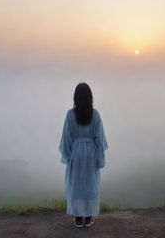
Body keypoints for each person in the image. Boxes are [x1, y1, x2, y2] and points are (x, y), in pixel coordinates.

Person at [59, 82, 109, 228]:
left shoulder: (70, 114)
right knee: (90, 184)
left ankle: (78, 218)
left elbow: (66, 137)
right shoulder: (95, 114)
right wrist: (100, 159)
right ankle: (88, 217)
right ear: (90, 97)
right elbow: (99, 138)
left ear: (75, 97)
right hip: (91, 153)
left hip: (76, 151)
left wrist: (68, 155)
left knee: (76, 184)